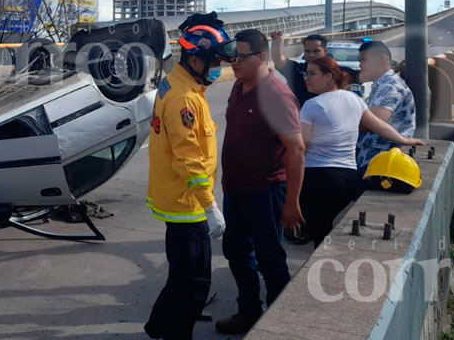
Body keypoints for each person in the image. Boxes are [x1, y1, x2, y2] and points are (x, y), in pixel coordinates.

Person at [144, 18, 235, 340]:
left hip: (178, 197)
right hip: (188, 203)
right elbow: (189, 156)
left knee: (181, 273)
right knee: (195, 283)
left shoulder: (177, 84)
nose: (217, 70)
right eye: (214, 63)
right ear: (196, 59)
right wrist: (210, 207)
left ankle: (158, 325)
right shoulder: (185, 98)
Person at [214, 29, 306, 335]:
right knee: (237, 252)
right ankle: (249, 312)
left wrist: (291, 203)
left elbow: (296, 148)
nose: (234, 62)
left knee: (270, 259)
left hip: (265, 192)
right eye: (233, 56)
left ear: (262, 57)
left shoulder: (276, 95)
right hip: (236, 191)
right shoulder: (239, 87)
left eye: (241, 56)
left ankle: (279, 324)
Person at [298, 56, 422, 245]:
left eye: (312, 73)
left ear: (330, 76)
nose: (306, 77)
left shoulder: (312, 105)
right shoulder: (354, 98)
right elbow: (378, 125)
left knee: (320, 236)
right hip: (349, 178)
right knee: (334, 233)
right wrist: (403, 139)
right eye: (306, 73)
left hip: (319, 178)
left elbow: (302, 146)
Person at [355, 40, 416, 176]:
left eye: (364, 60)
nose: (360, 65)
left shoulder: (389, 87)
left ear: (381, 61)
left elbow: (371, 123)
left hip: (381, 161)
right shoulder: (384, 84)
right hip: (376, 158)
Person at [269, 32, 359, 105]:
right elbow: (279, 60)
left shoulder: (339, 71)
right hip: (302, 120)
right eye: (307, 51)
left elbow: (364, 76)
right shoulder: (297, 69)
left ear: (325, 51)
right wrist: (277, 42)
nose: (311, 55)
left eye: (316, 51)